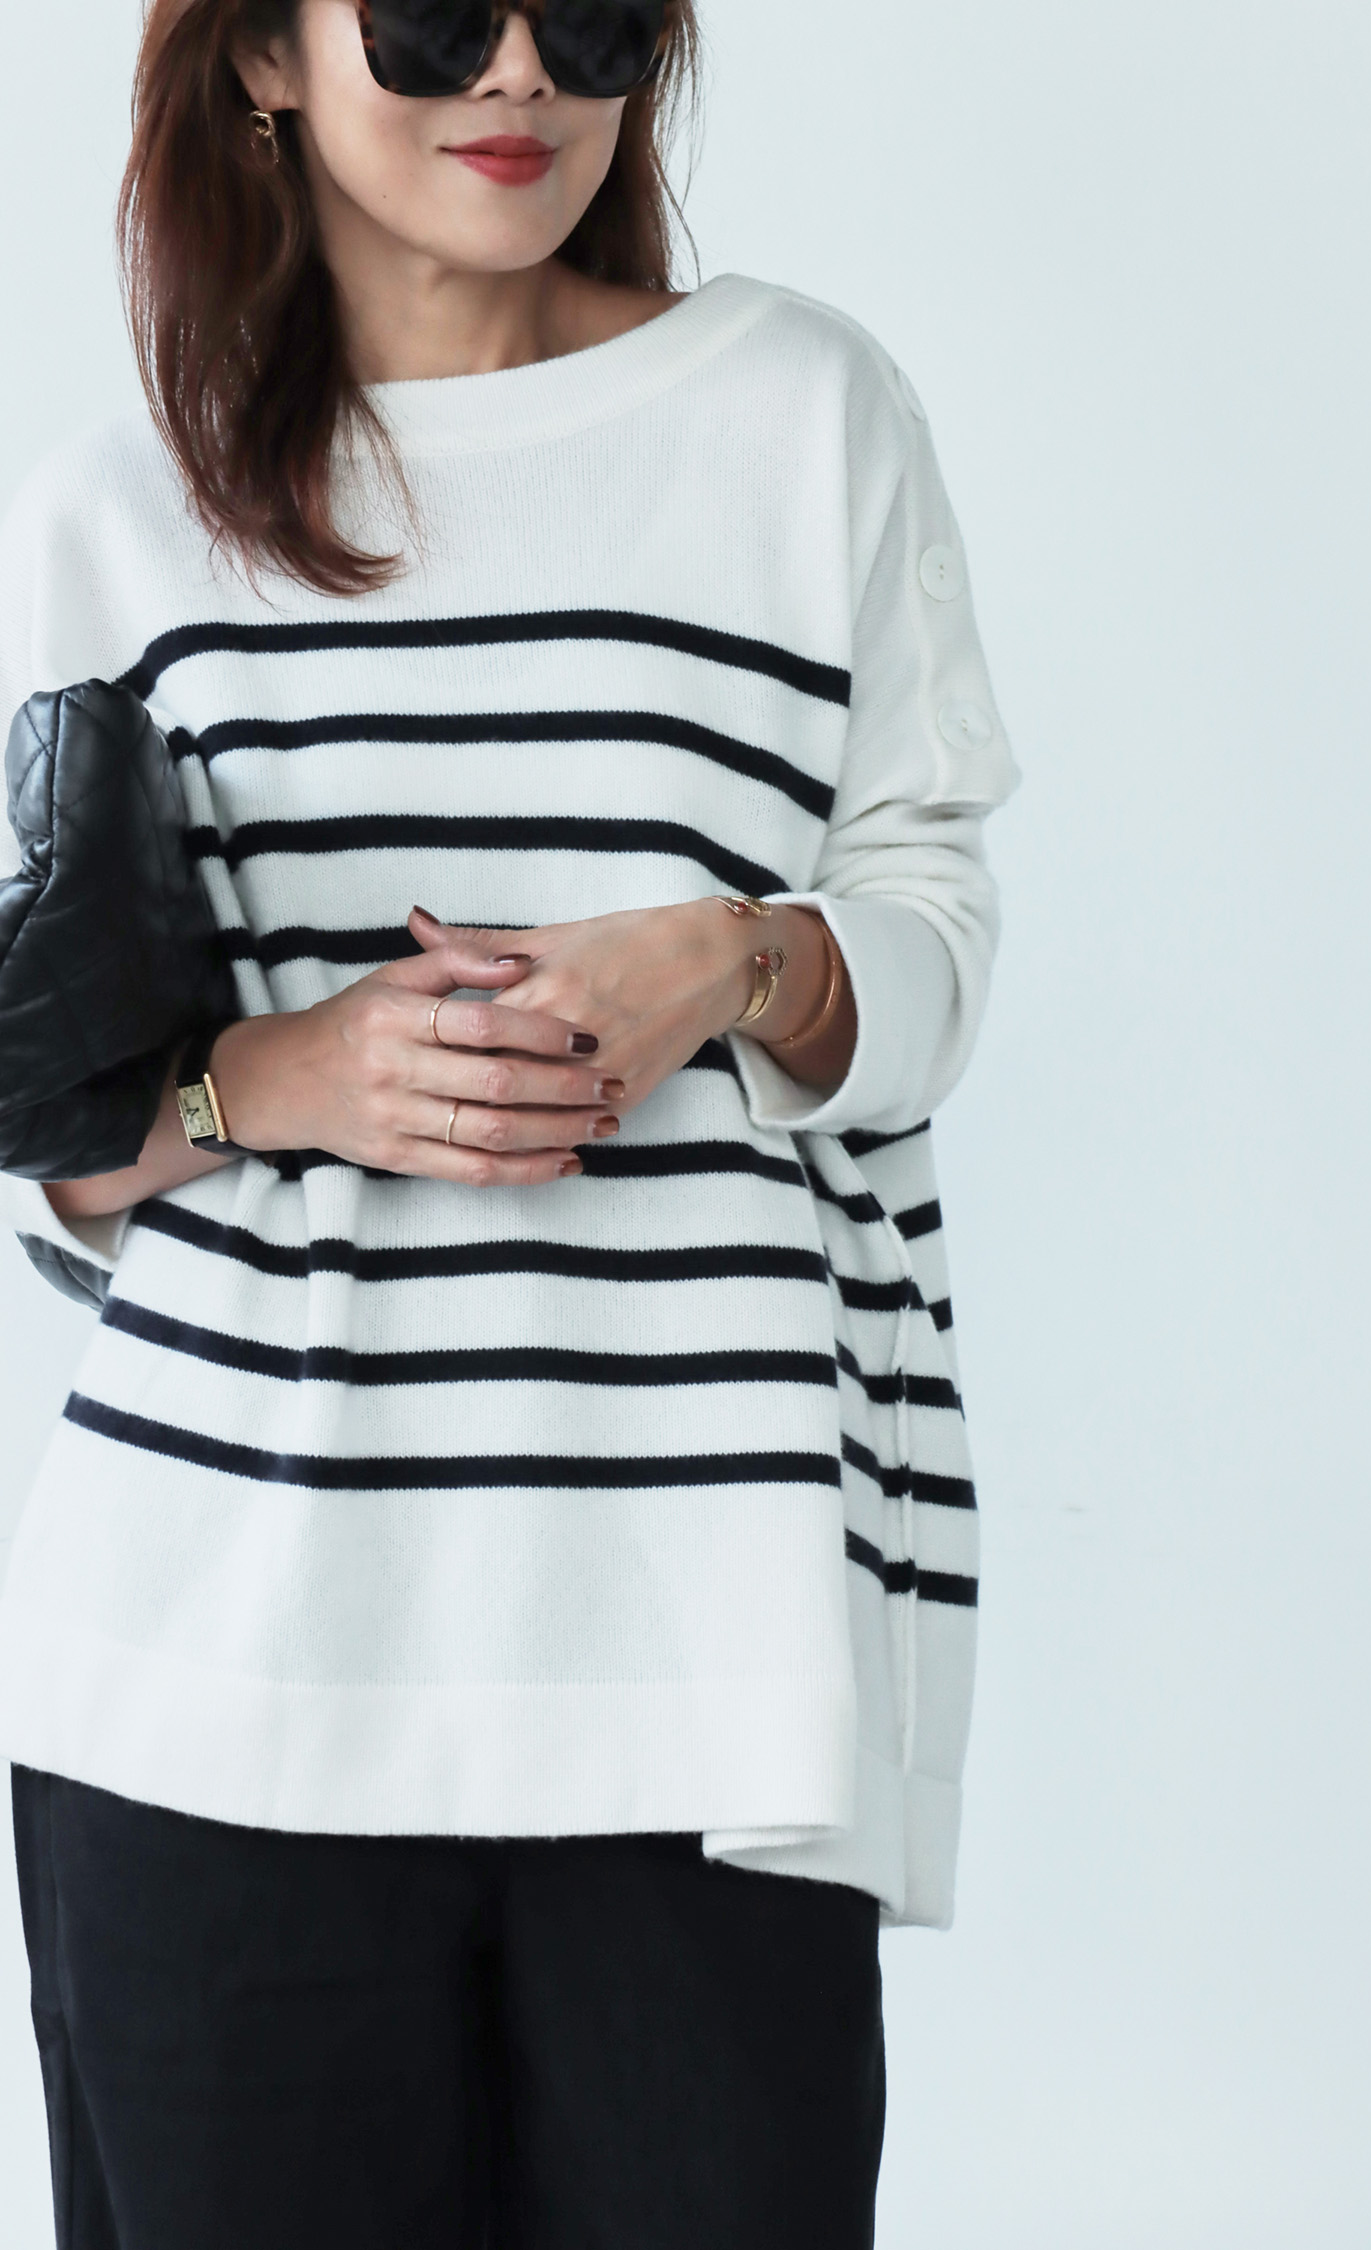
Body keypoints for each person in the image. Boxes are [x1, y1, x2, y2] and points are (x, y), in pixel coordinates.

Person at [0, 2, 1018, 2243]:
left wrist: (737, 956)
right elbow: (57, 1130)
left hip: (702, 1662)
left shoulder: (798, 413)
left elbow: (936, 955)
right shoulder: (112, 515)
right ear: (264, 58)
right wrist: (287, 1074)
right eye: (438, 16)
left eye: (598, 18)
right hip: (215, 1670)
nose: (523, 76)